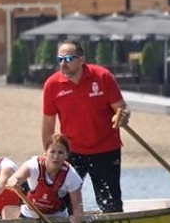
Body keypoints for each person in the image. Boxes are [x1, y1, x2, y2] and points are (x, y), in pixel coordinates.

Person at [43, 39, 131, 213]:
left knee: (110, 203)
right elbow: (48, 123)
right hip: (72, 152)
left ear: (82, 60)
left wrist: (124, 116)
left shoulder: (102, 76)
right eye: (60, 60)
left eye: (68, 59)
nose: (63, 64)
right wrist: (48, 153)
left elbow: (121, 108)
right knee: (64, 199)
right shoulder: (52, 85)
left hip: (106, 149)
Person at [7, 134, 84, 223]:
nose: (56, 157)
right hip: (29, 216)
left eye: (60, 153)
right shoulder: (33, 165)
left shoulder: (71, 175)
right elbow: (13, 179)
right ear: (45, 153)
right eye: (52, 152)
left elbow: (78, 210)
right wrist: (15, 182)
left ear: (66, 155)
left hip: (56, 221)